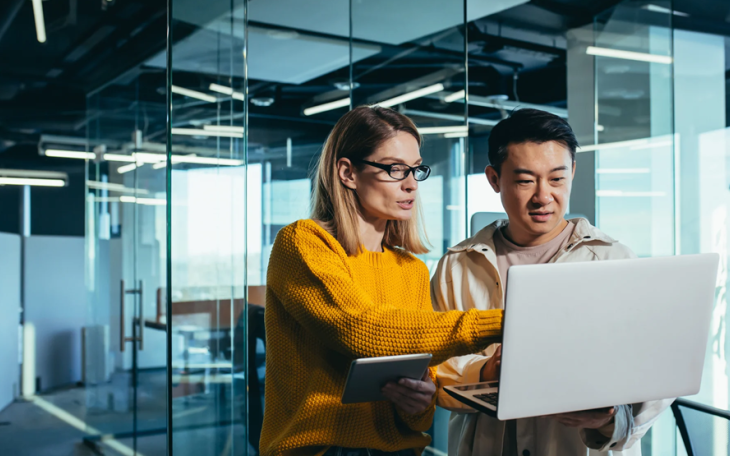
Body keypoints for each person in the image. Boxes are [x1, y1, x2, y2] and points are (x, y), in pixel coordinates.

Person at [260, 106, 505, 456]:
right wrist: (503, 322)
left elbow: (420, 411)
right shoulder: (303, 243)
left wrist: (419, 401)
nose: (410, 184)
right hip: (321, 449)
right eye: (394, 169)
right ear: (347, 172)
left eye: (415, 170)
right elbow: (359, 328)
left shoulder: (412, 269)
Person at [432, 109, 673, 456]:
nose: (543, 196)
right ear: (494, 179)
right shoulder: (457, 266)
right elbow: (436, 374)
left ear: (573, 172)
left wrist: (607, 418)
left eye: (557, 179)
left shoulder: (613, 260)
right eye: (525, 180)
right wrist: (488, 371)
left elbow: (654, 378)